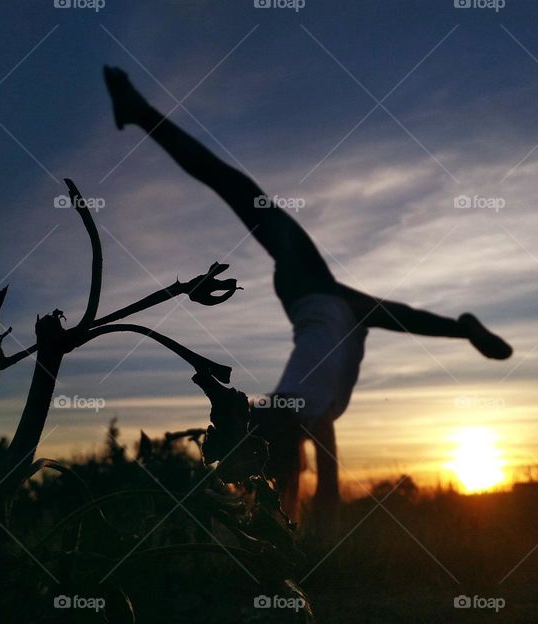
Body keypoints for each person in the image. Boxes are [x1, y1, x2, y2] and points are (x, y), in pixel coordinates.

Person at [103, 66, 512, 517]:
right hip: (333, 305)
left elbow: (308, 440)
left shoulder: (304, 408)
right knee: (405, 316)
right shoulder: (309, 411)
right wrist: (326, 503)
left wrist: (327, 500)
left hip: (312, 291)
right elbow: (312, 447)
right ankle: (463, 329)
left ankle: (142, 114)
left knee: (238, 191)